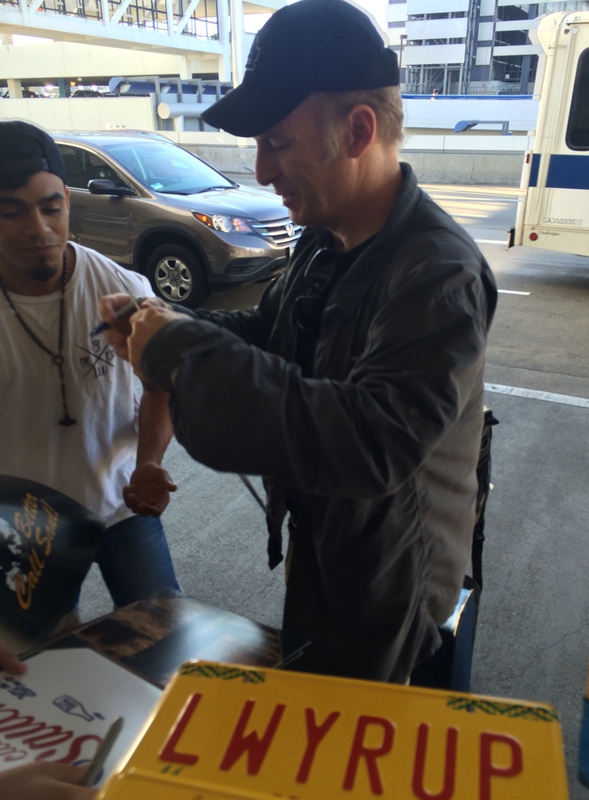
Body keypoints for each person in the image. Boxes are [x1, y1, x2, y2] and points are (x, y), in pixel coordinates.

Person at [102, 0, 498, 685]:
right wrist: (157, 320)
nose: (260, 170)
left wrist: (179, 352)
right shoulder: (326, 236)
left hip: (393, 598)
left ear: (358, 130)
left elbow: (371, 442)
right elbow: (271, 336)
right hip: (332, 555)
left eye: (277, 143)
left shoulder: (438, 274)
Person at [0, 120, 181, 674]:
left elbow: (158, 387)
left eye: (52, 206)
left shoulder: (123, 294)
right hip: (24, 529)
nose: (40, 228)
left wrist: (150, 461)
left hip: (124, 507)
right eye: (12, 211)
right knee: (43, 670)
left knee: (167, 648)